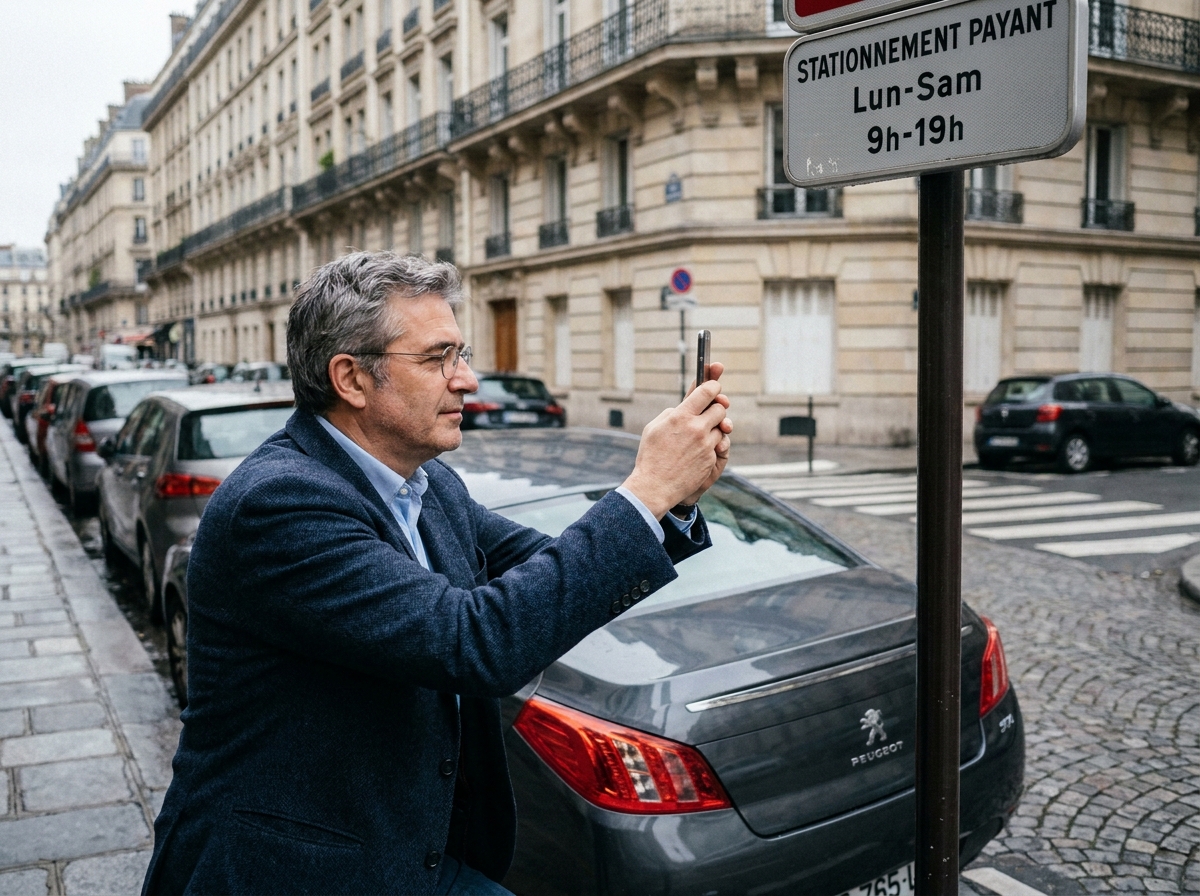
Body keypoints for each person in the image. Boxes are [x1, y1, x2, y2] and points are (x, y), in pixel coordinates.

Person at [141, 252, 732, 895]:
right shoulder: (279, 504)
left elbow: (547, 569)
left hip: (405, 853)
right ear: (352, 379)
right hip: (287, 869)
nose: (468, 379)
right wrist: (644, 491)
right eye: (438, 358)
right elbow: (476, 641)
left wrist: (673, 496)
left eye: (462, 353)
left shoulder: (427, 485)